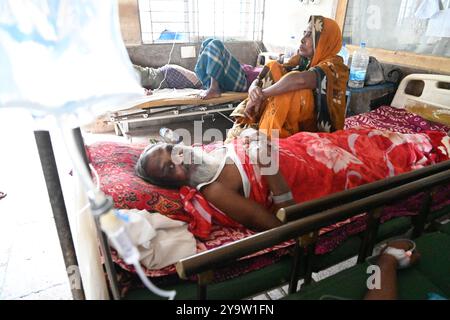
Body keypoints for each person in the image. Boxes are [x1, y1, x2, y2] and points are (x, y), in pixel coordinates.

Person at [135, 128, 450, 232]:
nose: (177, 158)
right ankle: (424, 152)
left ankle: (415, 141)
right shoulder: (213, 189)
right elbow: (270, 221)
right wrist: (270, 169)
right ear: (173, 184)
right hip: (311, 174)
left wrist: (251, 136)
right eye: (169, 169)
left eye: (171, 150)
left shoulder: (208, 151)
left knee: (362, 138)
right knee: (374, 162)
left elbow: (242, 137)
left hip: (304, 145)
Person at [226, 15, 349, 141]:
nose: (302, 39)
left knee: (291, 90)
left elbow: (300, 81)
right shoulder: (302, 61)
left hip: (315, 127)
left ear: (324, 41)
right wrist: (254, 91)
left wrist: (263, 94)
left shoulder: (335, 67)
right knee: (273, 66)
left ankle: (266, 138)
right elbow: (265, 75)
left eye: (309, 35)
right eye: (304, 33)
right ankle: (251, 123)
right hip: (294, 119)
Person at [194, 38, 262, 100]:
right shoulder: (262, 67)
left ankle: (214, 88)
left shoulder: (267, 69)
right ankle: (210, 84)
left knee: (216, 43)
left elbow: (260, 79)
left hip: (244, 80)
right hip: (242, 71)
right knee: (207, 42)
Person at [133, 64, 202, 95]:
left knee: (201, 83)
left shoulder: (126, 72)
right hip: (167, 77)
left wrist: (143, 91)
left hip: (168, 75)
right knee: (200, 84)